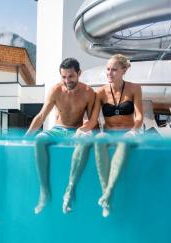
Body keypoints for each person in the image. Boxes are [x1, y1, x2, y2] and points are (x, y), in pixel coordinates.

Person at [62, 54, 143, 217]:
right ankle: (104, 194)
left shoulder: (135, 88)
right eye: (108, 69)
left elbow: (139, 116)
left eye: (114, 70)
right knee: (98, 138)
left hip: (128, 133)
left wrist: (133, 130)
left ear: (123, 71)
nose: (109, 73)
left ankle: (108, 193)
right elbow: (92, 121)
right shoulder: (100, 93)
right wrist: (82, 130)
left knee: (124, 143)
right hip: (108, 133)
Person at [25, 58, 96, 214]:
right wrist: (26, 137)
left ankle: (70, 189)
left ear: (79, 73)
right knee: (39, 139)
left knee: (86, 140)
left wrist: (84, 131)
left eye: (70, 76)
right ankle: (44, 192)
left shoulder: (89, 93)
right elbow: (42, 116)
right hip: (57, 129)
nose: (67, 80)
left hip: (76, 131)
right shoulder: (56, 90)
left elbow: (91, 121)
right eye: (63, 77)